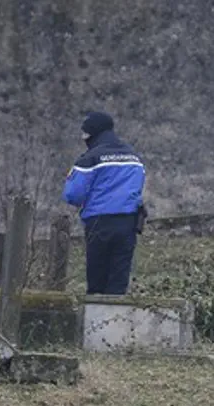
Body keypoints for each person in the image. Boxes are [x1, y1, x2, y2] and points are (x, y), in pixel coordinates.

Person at [63, 111, 147, 295]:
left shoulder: (90, 158)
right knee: (118, 282)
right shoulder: (134, 158)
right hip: (128, 223)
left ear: (91, 134)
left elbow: (73, 195)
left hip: (99, 224)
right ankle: (115, 321)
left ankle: (96, 321)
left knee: (97, 283)